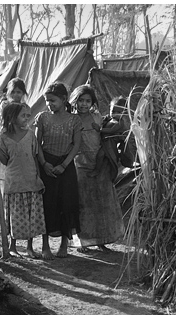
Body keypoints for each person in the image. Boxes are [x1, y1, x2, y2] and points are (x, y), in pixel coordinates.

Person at [69, 85, 124, 252]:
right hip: (80, 164)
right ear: (75, 101)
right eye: (81, 100)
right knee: (82, 203)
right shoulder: (71, 119)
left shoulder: (97, 117)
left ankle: (102, 241)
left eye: (88, 101)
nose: (84, 104)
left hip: (100, 164)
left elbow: (105, 135)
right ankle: (83, 241)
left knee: (102, 203)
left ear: (92, 103)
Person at [0, 103, 46, 258]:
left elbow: (34, 158)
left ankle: (29, 247)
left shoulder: (30, 135)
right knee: (15, 216)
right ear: (12, 118)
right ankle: (13, 246)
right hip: (14, 181)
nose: (27, 118)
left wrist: (38, 178)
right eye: (23, 115)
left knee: (30, 216)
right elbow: (5, 161)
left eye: (28, 115)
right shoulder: (4, 137)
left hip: (30, 180)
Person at [34, 82, 82, 259]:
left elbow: (76, 145)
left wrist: (64, 165)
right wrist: (44, 163)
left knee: (66, 204)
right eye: (47, 101)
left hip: (66, 166)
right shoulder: (42, 117)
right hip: (46, 164)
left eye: (52, 101)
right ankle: (45, 246)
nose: (49, 104)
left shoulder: (74, 120)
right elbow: (37, 143)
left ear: (63, 99)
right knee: (47, 204)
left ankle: (64, 245)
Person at [89, 96, 129, 177]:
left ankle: (97, 170)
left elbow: (111, 130)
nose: (114, 114)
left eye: (118, 112)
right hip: (102, 140)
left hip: (109, 144)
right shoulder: (110, 118)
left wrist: (100, 129)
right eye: (113, 111)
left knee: (100, 155)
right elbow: (103, 119)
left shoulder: (120, 123)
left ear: (124, 113)